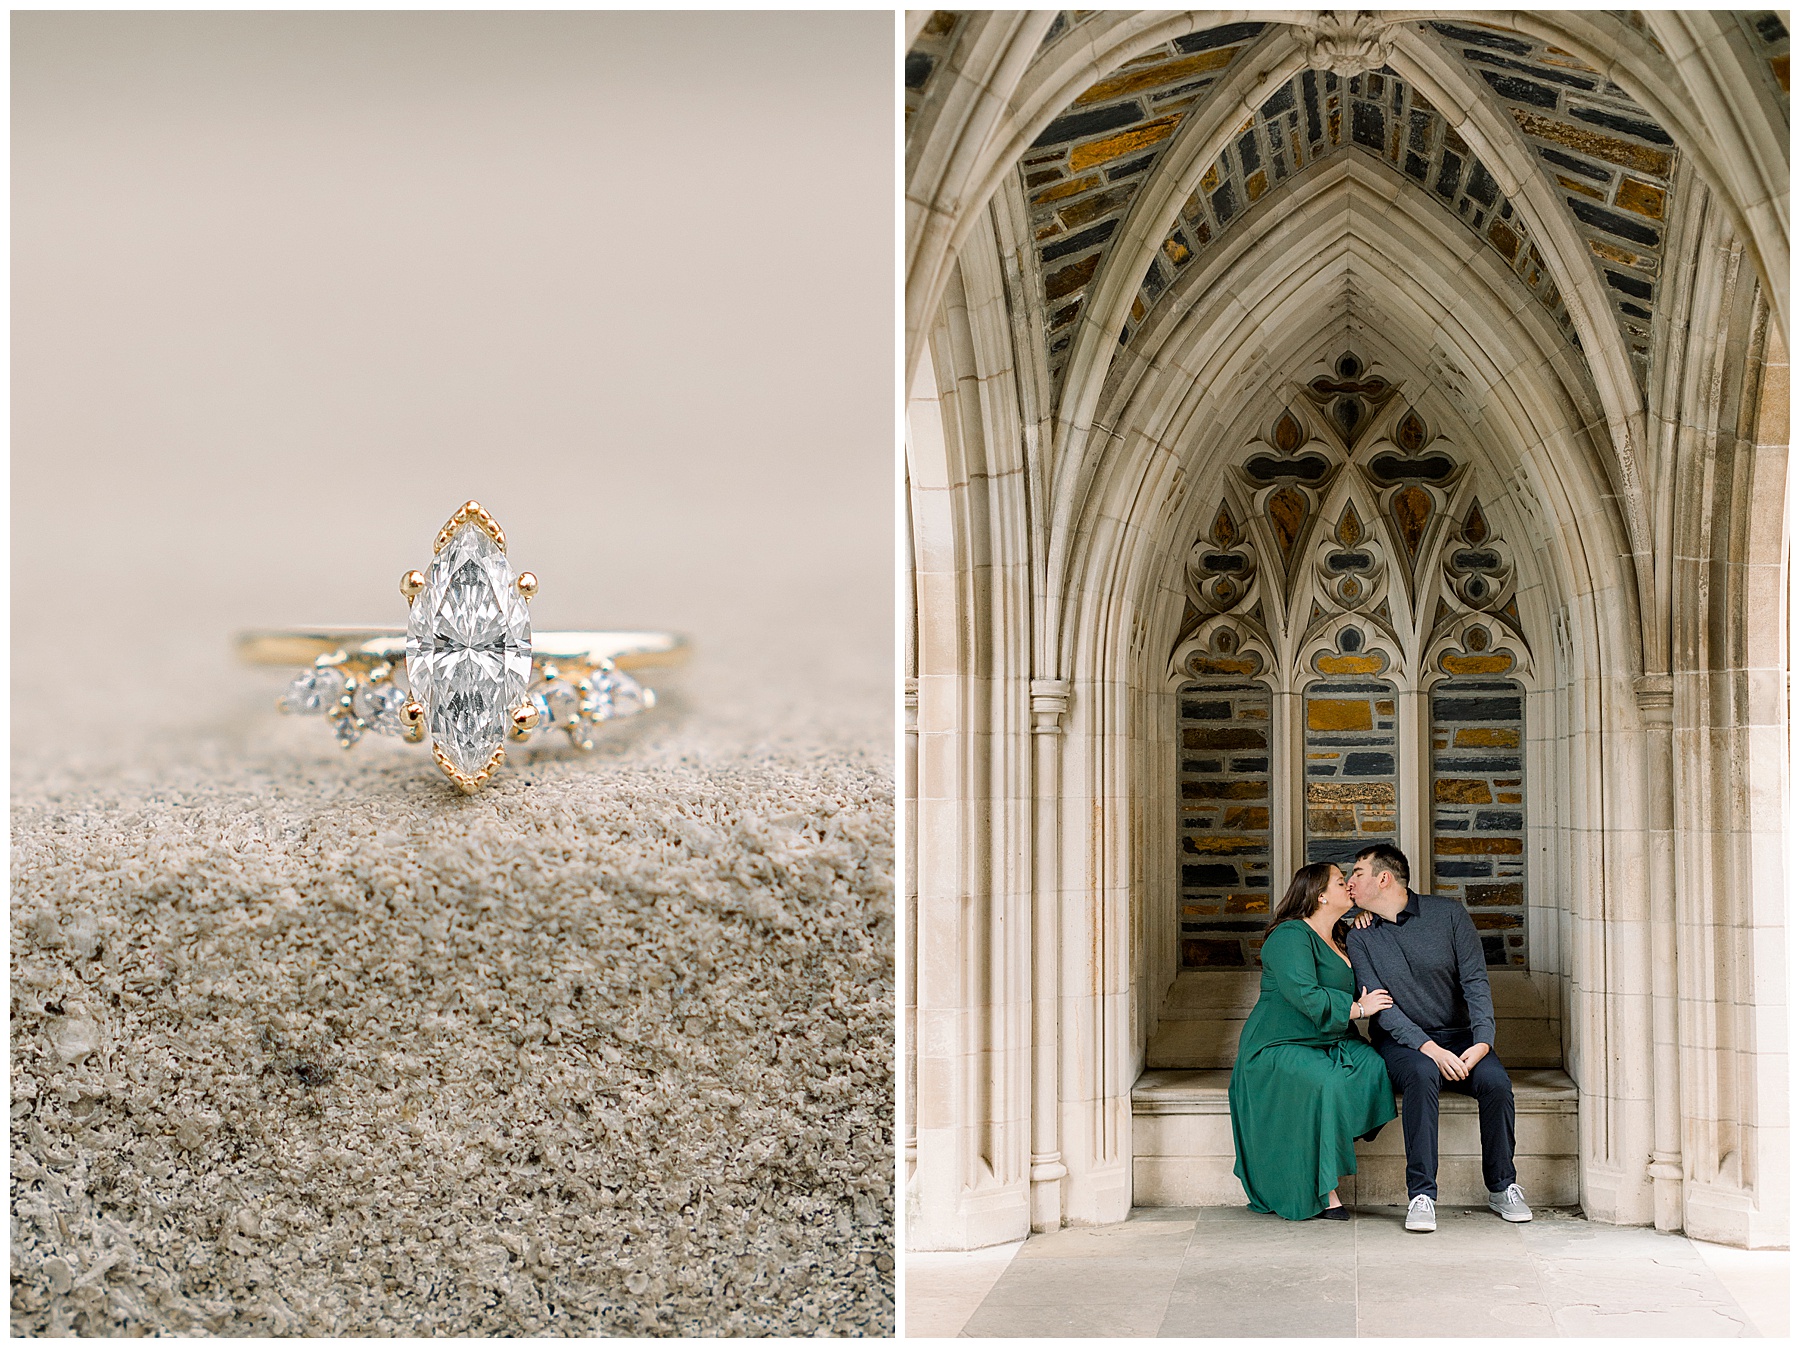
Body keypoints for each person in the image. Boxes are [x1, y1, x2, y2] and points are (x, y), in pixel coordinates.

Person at [1345, 842, 1533, 1233]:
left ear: (1384, 878)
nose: (1349, 883)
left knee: (1496, 1083)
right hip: (1401, 1042)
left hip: (1463, 1036)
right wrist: (1429, 1049)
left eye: (1357, 874)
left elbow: (1476, 982)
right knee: (1421, 1073)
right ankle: (1422, 1195)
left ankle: (1502, 1186)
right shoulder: (1359, 935)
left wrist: (1482, 1042)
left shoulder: (1447, 915)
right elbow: (1382, 1007)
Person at [1228, 861, 1398, 1221]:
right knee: (1328, 1082)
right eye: (1341, 882)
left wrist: (1367, 917)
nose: (1349, 886)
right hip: (1279, 1044)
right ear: (1320, 895)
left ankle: (1326, 1139)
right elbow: (1304, 995)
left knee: (1374, 1066)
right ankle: (1323, 1189)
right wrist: (1359, 1009)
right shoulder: (1289, 936)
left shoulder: (1341, 935)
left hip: (1329, 1039)